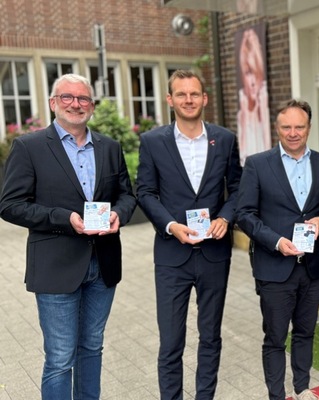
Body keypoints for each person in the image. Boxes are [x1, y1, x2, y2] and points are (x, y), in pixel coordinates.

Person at [0, 73, 136, 399]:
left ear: (92, 105)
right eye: (67, 97)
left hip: (103, 264)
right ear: (53, 103)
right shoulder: (29, 147)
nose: (76, 104)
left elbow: (126, 195)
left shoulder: (109, 147)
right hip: (56, 266)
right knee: (61, 358)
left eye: (83, 98)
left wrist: (118, 214)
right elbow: (10, 205)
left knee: (92, 346)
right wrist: (64, 218)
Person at [136, 70, 242, 400]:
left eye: (194, 93)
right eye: (181, 94)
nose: (188, 99)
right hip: (172, 254)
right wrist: (171, 225)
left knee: (210, 336)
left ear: (204, 98)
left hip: (214, 253)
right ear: (170, 99)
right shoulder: (153, 141)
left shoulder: (225, 139)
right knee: (171, 342)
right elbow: (145, 192)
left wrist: (226, 217)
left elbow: (238, 188)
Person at [236, 99, 319, 400]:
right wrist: (276, 241)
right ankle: (277, 396)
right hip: (274, 268)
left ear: (309, 128)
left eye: (299, 126)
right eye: (286, 127)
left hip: (313, 267)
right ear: (277, 128)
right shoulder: (257, 164)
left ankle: (302, 388)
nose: (293, 133)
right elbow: (244, 214)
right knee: (275, 338)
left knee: (306, 332)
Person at [237, 26, 270, 163]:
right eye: (248, 73)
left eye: (256, 73)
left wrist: (262, 110)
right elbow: (242, 155)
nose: (252, 81)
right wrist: (245, 115)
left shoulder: (264, 106)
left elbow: (269, 150)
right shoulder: (242, 113)